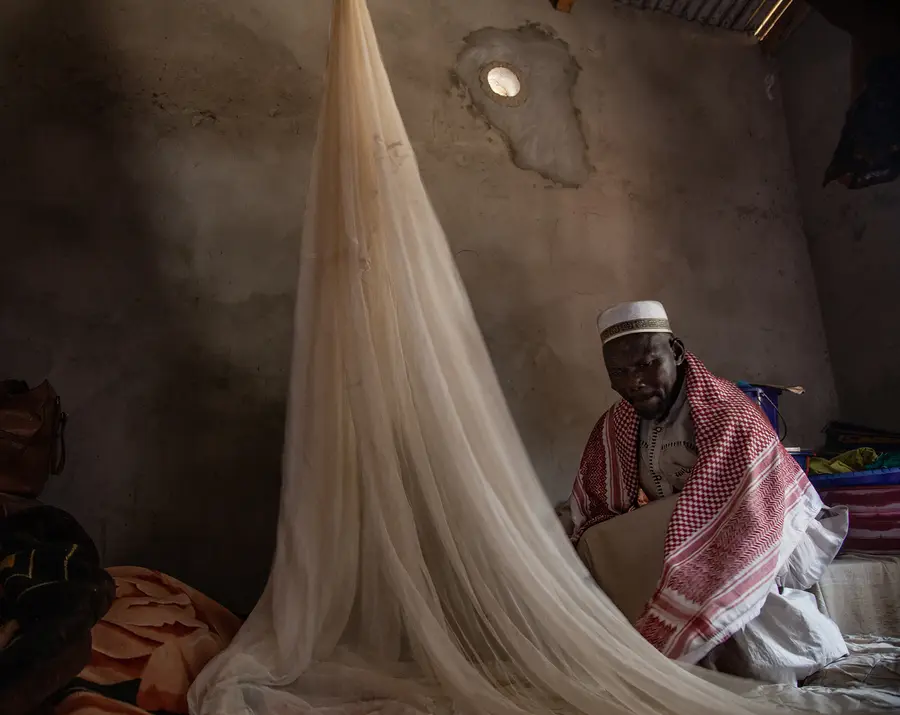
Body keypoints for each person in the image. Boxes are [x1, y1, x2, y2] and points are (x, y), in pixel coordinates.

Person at [567, 301, 849, 684]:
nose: (634, 381)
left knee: (754, 663)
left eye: (647, 364)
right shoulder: (617, 423)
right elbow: (594, 512)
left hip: (761, 528)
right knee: (597, 543)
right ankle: (668, 640)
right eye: (620, 371)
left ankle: (788, 647)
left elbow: (752, 513)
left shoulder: (727, 413)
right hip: (688, 536)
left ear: (677, 353)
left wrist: (683, 535)